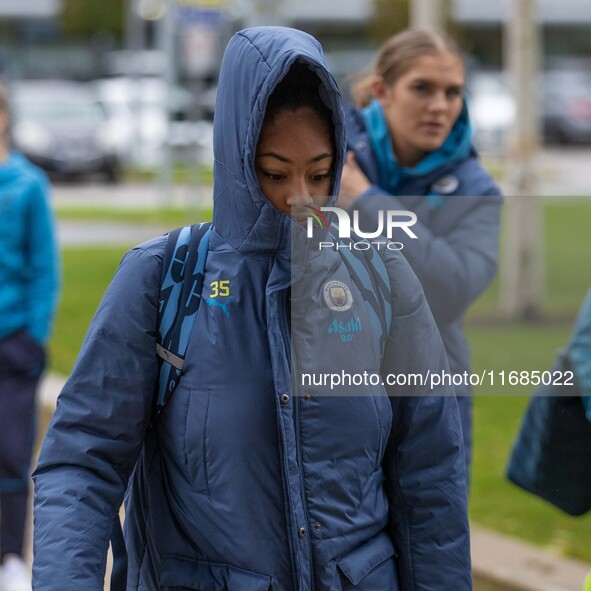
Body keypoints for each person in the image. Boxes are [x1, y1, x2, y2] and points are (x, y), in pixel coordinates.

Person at [33, 27, 471, 590]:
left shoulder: (381, 276)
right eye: (274, 173)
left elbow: (430, 480)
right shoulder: (161, 278)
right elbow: (80, 463)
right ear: (236, 161)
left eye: (318, 174)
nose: (300, 198)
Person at [338, 29, 503, 476]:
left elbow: (452, 289)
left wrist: (367, 202)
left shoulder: (476, 189)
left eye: (453, 92)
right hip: (330, 381)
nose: (439, 106)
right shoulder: (324, 155)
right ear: (381, 91)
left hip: (430, 388)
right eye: (422, 88)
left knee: (431, 533)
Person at [0, 84, 60, 591]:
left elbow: (45, 269)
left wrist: (32, 337)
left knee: (11, 450)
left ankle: (10, 556)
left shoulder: (28, 185)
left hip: (12, 341)